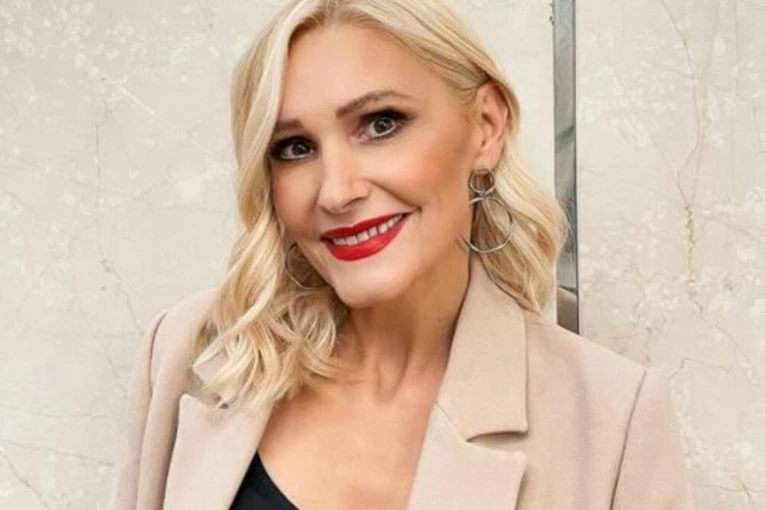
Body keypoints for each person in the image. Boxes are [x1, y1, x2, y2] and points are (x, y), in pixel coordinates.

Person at [107, 0, 694, 508]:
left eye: (381, 124)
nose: (336, 191)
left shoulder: (613, 419)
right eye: (295, 147)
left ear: (486, 126)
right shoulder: (190, 354)